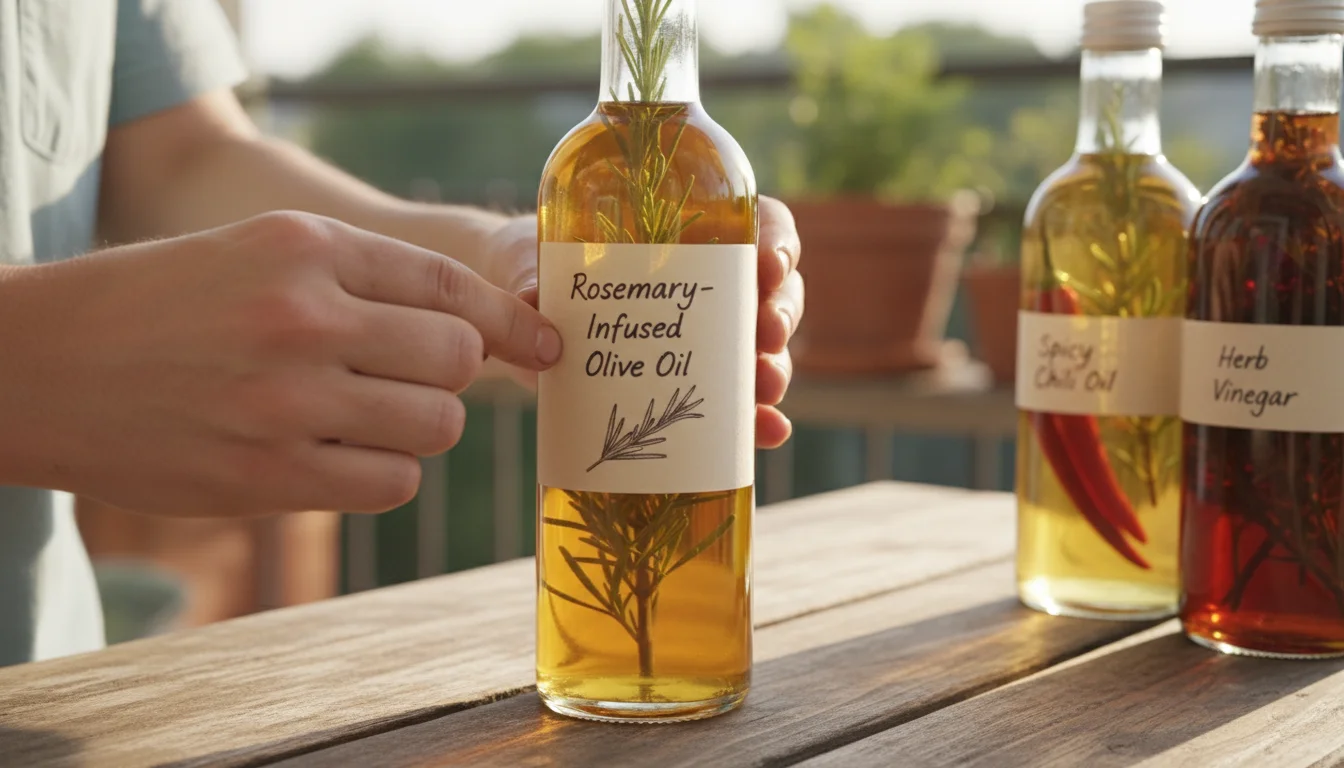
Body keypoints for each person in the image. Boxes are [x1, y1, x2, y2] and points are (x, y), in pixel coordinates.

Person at [0, 1, 804, 667]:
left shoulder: (703, 162)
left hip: (42, 679)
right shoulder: (593, 156)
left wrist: (498, 260)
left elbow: (178, 158)